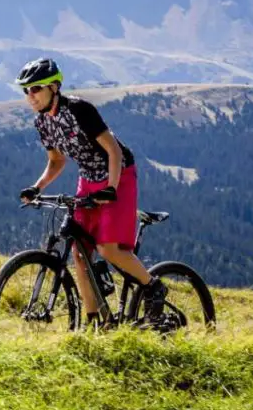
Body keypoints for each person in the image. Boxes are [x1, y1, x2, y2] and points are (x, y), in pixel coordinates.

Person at [15, 58, 168, 329]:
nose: (31, 96)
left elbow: (114, 150)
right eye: (26, 91)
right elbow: (57, 161)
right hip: (87, 178)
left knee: (107, 248)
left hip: (118, 175)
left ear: (53, 87)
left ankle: (153, 287)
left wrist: (111, 187)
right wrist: (37, 187)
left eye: (35, 89)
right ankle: (95, 323)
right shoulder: (42, 122)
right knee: (79, 252)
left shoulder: (79, 110)